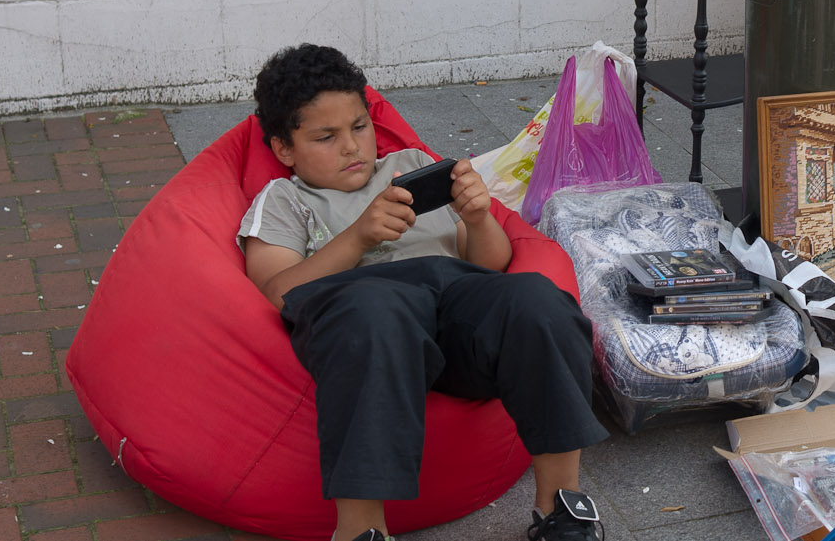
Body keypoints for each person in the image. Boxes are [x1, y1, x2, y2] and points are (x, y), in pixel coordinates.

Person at [238, 44, 608, 541]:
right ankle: (362, 531)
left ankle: (560, 506)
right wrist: (358, 238)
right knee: (375, 309)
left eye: (359, 127)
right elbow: (278, 292)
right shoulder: (284, 200)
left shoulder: (410, 164)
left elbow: (490, 264)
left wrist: (478, 217)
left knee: (538, 300)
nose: (351, 147)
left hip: (454, 307)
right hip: (365, 319)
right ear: (285, 148)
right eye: (326, 137)